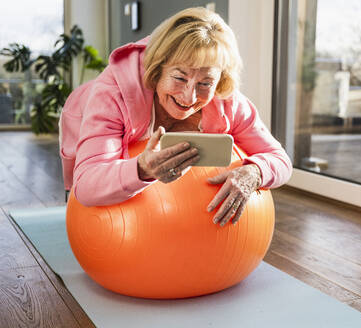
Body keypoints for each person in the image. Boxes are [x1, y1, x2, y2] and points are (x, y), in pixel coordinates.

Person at [59, 7, 292, 227]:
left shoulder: (228, 102)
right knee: (79, 200)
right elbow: (87, 185)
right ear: (157, 69)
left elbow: (280, 159)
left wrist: (255, 171)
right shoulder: (113, 94)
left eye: (205, 83)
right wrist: (141, 170)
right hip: (81, 115)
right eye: (180, 78)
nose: (189, 97)